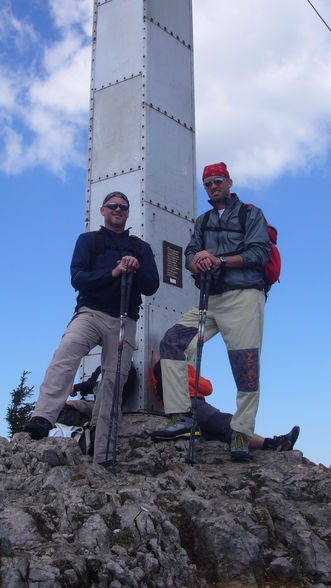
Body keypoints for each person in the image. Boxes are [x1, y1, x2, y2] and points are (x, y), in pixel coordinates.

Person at [24, 191, 159, 465]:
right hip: (90, 312)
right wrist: (113, 272)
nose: (118, 210)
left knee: (114, 380)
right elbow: (78, 278)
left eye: (123, 206)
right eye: (112, 206)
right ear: (102, 211)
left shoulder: (140, 248)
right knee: (67, 351)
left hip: (125, 318)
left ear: (128, 212)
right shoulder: (88, 241)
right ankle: (43, 416)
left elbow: (151, 285)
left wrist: (135, 267)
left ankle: (104, 452)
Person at [152, 162, 271, 461]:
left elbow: (260, 253)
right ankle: (182, 416)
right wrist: (196, 262)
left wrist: (217, 259)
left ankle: (241, 433)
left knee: (245, 364)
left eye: (218, 181)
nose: (213, 186)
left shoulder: (250, 214)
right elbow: (190, 252)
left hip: (244, 296)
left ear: (229, 182)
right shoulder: (203, 221)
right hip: (210, 297)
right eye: (208, 183)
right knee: (173, 342)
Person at [151, 361, 300, 452]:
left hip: (191, 405)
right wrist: (190, 379)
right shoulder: (175, 366)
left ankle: (271, 445)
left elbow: (207, 387)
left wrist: (185, 380)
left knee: (224, 431)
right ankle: (274, 443)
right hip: (193, 402)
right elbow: (206, 387)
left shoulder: (176, 368)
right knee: (225, 423)